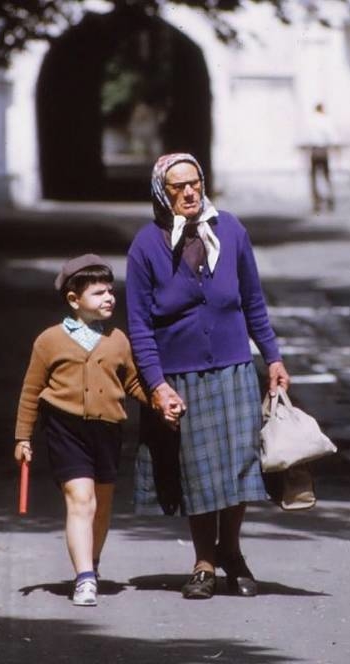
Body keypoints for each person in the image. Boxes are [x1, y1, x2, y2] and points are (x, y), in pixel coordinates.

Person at [125, 153, 291, 600]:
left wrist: (272, 358)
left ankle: (231, 552)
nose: (190, 192)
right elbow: (139, 325)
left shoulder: (230, 230)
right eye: (178, 187)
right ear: (163, 192)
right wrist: (157, 385)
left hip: (234, 367)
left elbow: (253, 301)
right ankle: (203, 562)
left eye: (195, 183)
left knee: (238, 469)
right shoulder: (146, 246)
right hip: (182, 375)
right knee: (198, 474)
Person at [13, 254, 151, 607]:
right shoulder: (49, 341)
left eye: (110, 291)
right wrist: (23, 437)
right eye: (99, 293)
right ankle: (85, 577)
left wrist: (160, 401)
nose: (109, 298)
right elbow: (31, 391)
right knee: (81, 501)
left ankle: (92, 561)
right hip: (64, 428)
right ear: (74, 300)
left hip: (107, 431)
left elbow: (134, 382)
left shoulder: (119, 339)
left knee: (102, 506)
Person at [306, 102, 337, 212]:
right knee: (326, 176)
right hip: (323, 150)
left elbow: (307, 136)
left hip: (314, 150)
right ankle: (330, 199)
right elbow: (331, 135)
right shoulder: (325, 120)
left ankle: (316, 202)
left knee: (314, 178)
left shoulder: (311, 121)